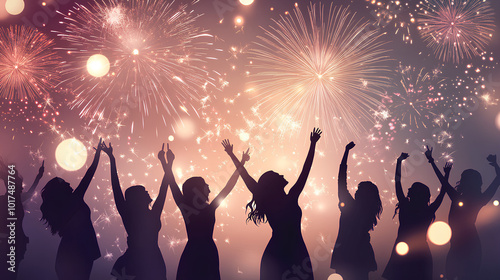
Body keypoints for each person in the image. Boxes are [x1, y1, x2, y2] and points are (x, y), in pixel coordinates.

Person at [224, 128, 322, 280]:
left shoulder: (277, 200)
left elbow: (245, 175)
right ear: (274, 184)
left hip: (278, 253)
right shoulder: (291, 198)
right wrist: (313, 144)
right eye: (278, 175)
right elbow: (305, 171)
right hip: (294, 252)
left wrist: (232, 155)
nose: (282, 175)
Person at [164, 142, 249, 280]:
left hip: (192, 252)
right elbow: (229, 186)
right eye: (205, 186)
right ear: (197, 190)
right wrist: (241, 162)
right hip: (208, 252)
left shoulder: (186, 207)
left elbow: (171, 182)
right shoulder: (209, 209)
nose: (209, 189)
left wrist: (167, 164)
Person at [425, 146, 500, 280]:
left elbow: (442, 181)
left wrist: (431, 161)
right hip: (466, 246)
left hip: (463, 247)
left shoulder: (459, 197)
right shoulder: (478, 199)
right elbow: (498, 179)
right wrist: (495, 165)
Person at [102, 142, 168, 280]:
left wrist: (166, 164)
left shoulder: (134, 216)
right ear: (137, 198)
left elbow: (163, 188)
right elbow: (116, 188)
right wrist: (111, 159)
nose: (148, 192)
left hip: (147, 261)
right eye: (144, 191)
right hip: (147, 262)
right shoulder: (143, 215)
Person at [40, 138, 103, 280]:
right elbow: (89, 175)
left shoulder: (69, 204)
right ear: (59, 191)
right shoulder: (74, 200)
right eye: (64, 183)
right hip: (77, 252)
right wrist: (97, 155)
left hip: (72, 253)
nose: (68, 182)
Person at [382, 152, 446, 280]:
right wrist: (446, 173)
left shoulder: (406, 206)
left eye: (411, 189)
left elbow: (398, 182)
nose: (408, 190)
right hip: (421, 253)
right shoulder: (427, 211)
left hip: (402, 250)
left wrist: (399, 161)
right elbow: (442, 192)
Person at [330, 142, 382, 280]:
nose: (356, 191)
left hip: (346, 253)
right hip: (361, 254)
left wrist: (346, 151)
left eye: (359, 189)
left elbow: (341, 180)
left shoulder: (350, 207)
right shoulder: (369, 211)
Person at [0, 159, 44, 280]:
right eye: (20, 186)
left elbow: (29, 193)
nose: (21, 189)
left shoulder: (15, 200)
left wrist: (38, 177)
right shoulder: (5, 202)